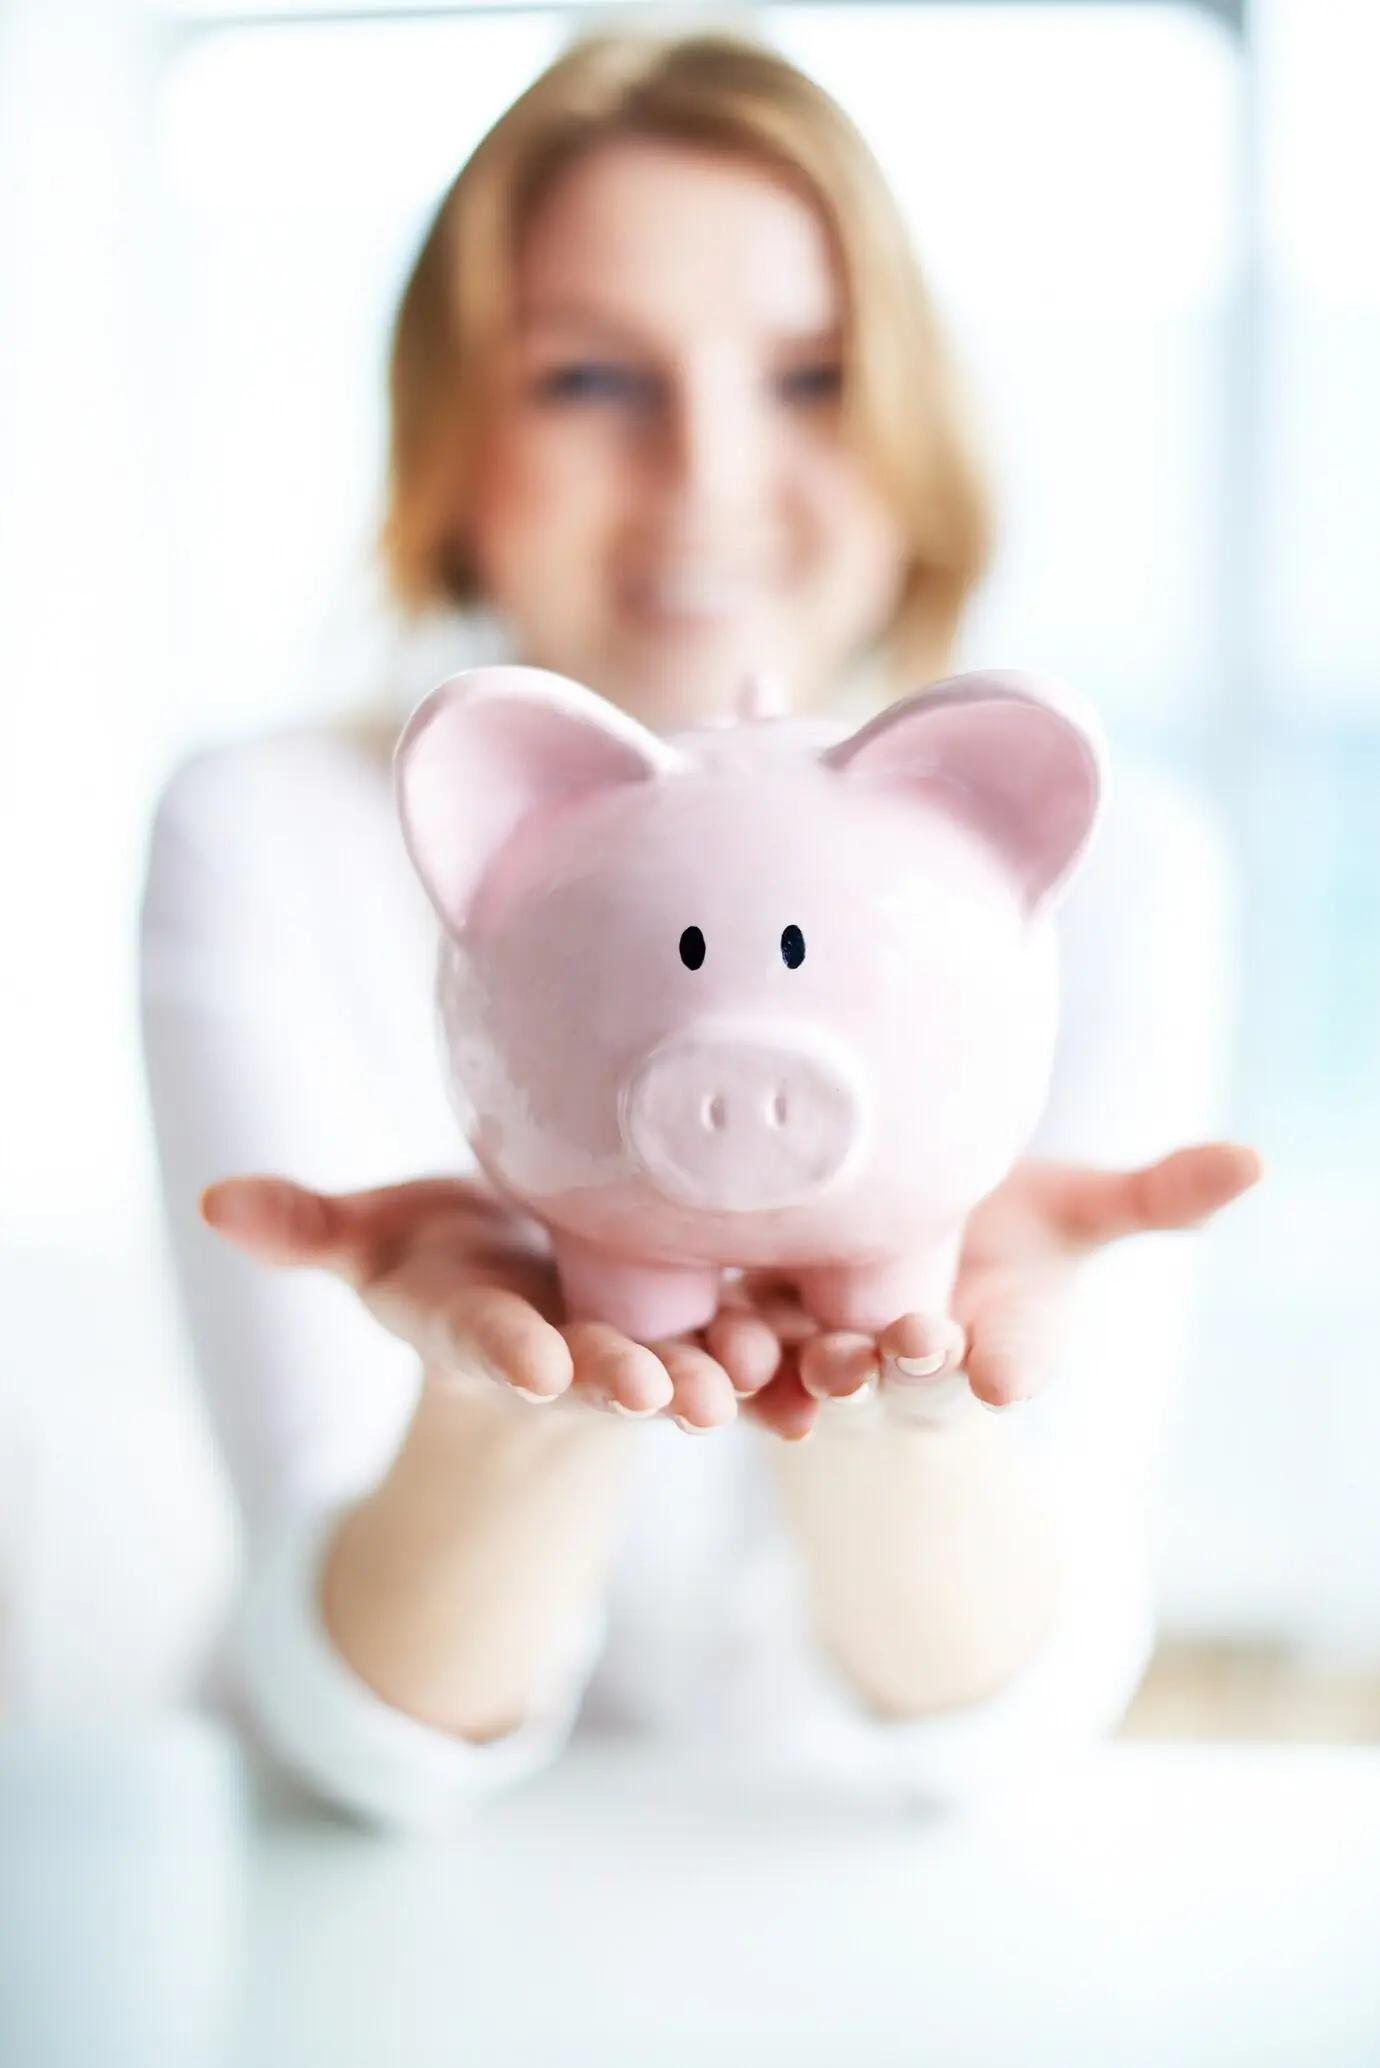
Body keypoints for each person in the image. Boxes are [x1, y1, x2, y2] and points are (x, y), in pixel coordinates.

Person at [139, 31, 1261, 1830]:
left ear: (912, 425)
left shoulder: (1098, 870)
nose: (710, 477)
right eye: (593, 379)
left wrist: (908, 1363)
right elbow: (351, 1727)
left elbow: (1000, 1719)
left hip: (852, 1900)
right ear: (454, 442)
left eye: (813, 376)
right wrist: (531, 1382)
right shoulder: (272, 836)